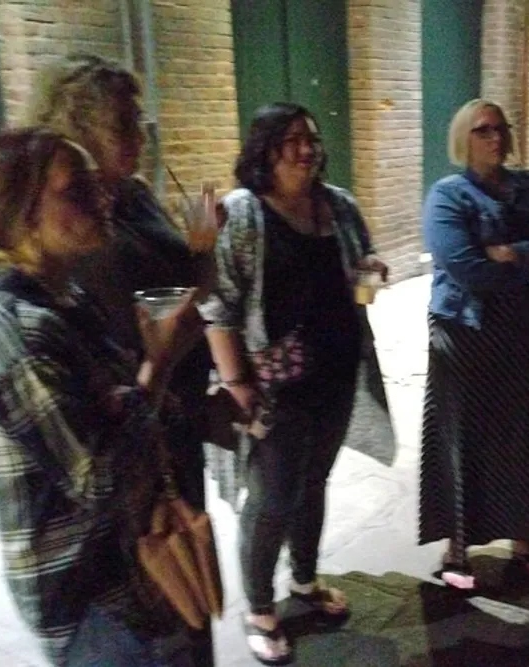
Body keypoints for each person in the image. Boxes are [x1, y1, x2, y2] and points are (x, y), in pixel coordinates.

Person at [0, 128, 200, 666]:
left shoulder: (66, 297)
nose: (102, 197)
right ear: (22, 214)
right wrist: (158, 368)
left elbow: (115, 406)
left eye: (97, 183)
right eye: (77, 189)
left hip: (130, 567)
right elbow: (96, 475)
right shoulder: (18, 330)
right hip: (87, 595)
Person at [24, 53, 216, 666]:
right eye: (125, 123)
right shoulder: (67, 237)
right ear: (77, 128)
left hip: (168, 420)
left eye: (140, 119)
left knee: (189, 578)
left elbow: (186, 287)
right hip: (127, 430)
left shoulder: (129, 199)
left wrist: (201, 254)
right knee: (149, 593)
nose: (142, 134)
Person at [200, 102, 387, 665]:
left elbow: (363, 263)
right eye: (290, 141)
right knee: (274, 496)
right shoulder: (238, 214)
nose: (306, 149)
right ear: (264, 150)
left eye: (311, 138)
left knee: (314, 484)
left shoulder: (339, 205)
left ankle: (304, 582)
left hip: (334, 375)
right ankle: (259, 607)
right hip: (270, 389)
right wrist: (237, 385)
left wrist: (371, 272)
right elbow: (216, 304)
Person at [419, 98, 529, 590]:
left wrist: (512, 252)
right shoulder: (448, 196)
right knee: (461, 439)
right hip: (462, 334)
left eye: (501, 128)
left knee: (521, 438)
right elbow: (466, 267)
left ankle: (524, 542)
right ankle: (457, 550)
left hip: (518, 330)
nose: (495, 137)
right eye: (483, 129)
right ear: (464, 138)